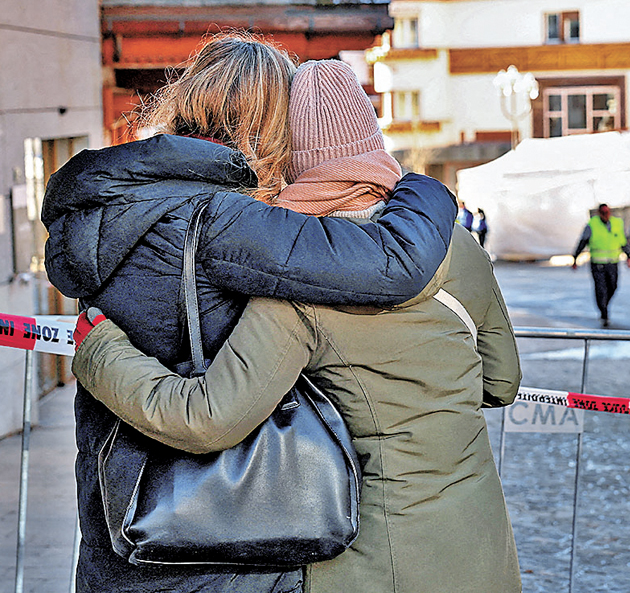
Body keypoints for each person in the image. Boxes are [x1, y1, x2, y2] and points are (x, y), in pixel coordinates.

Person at [70, 59, 523, 593]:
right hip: (480, 543)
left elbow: (210, 418)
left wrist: (99, 350)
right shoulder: (460, 247)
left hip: (372, 562)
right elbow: (502, 383)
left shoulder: (296, 289)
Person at [571, 203, 630, 327]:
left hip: (612, 262)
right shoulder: (592, 225)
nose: (606, 215)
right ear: (599, 213)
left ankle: (605, 305)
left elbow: (623, 241)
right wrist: (575, 258)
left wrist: (629, 256)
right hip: (597, 263)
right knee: (600, 289)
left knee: (613, 286)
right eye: (603, 213)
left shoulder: (617, 223)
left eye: (607, 212)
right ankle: (604, 313)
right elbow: (583, 241)